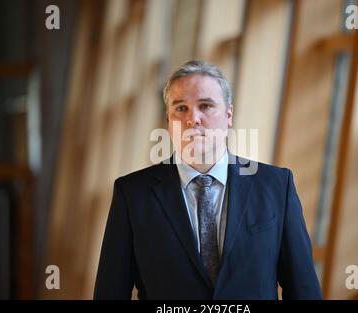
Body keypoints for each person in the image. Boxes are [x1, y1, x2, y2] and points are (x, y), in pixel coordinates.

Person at [94, 60, 322, 299]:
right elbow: (110, 292)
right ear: (168, 121)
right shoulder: (132, 194)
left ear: (228, 115)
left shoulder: (276, 186)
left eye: (205, 106)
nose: (193, 119)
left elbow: (303, 290)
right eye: (181, 108)